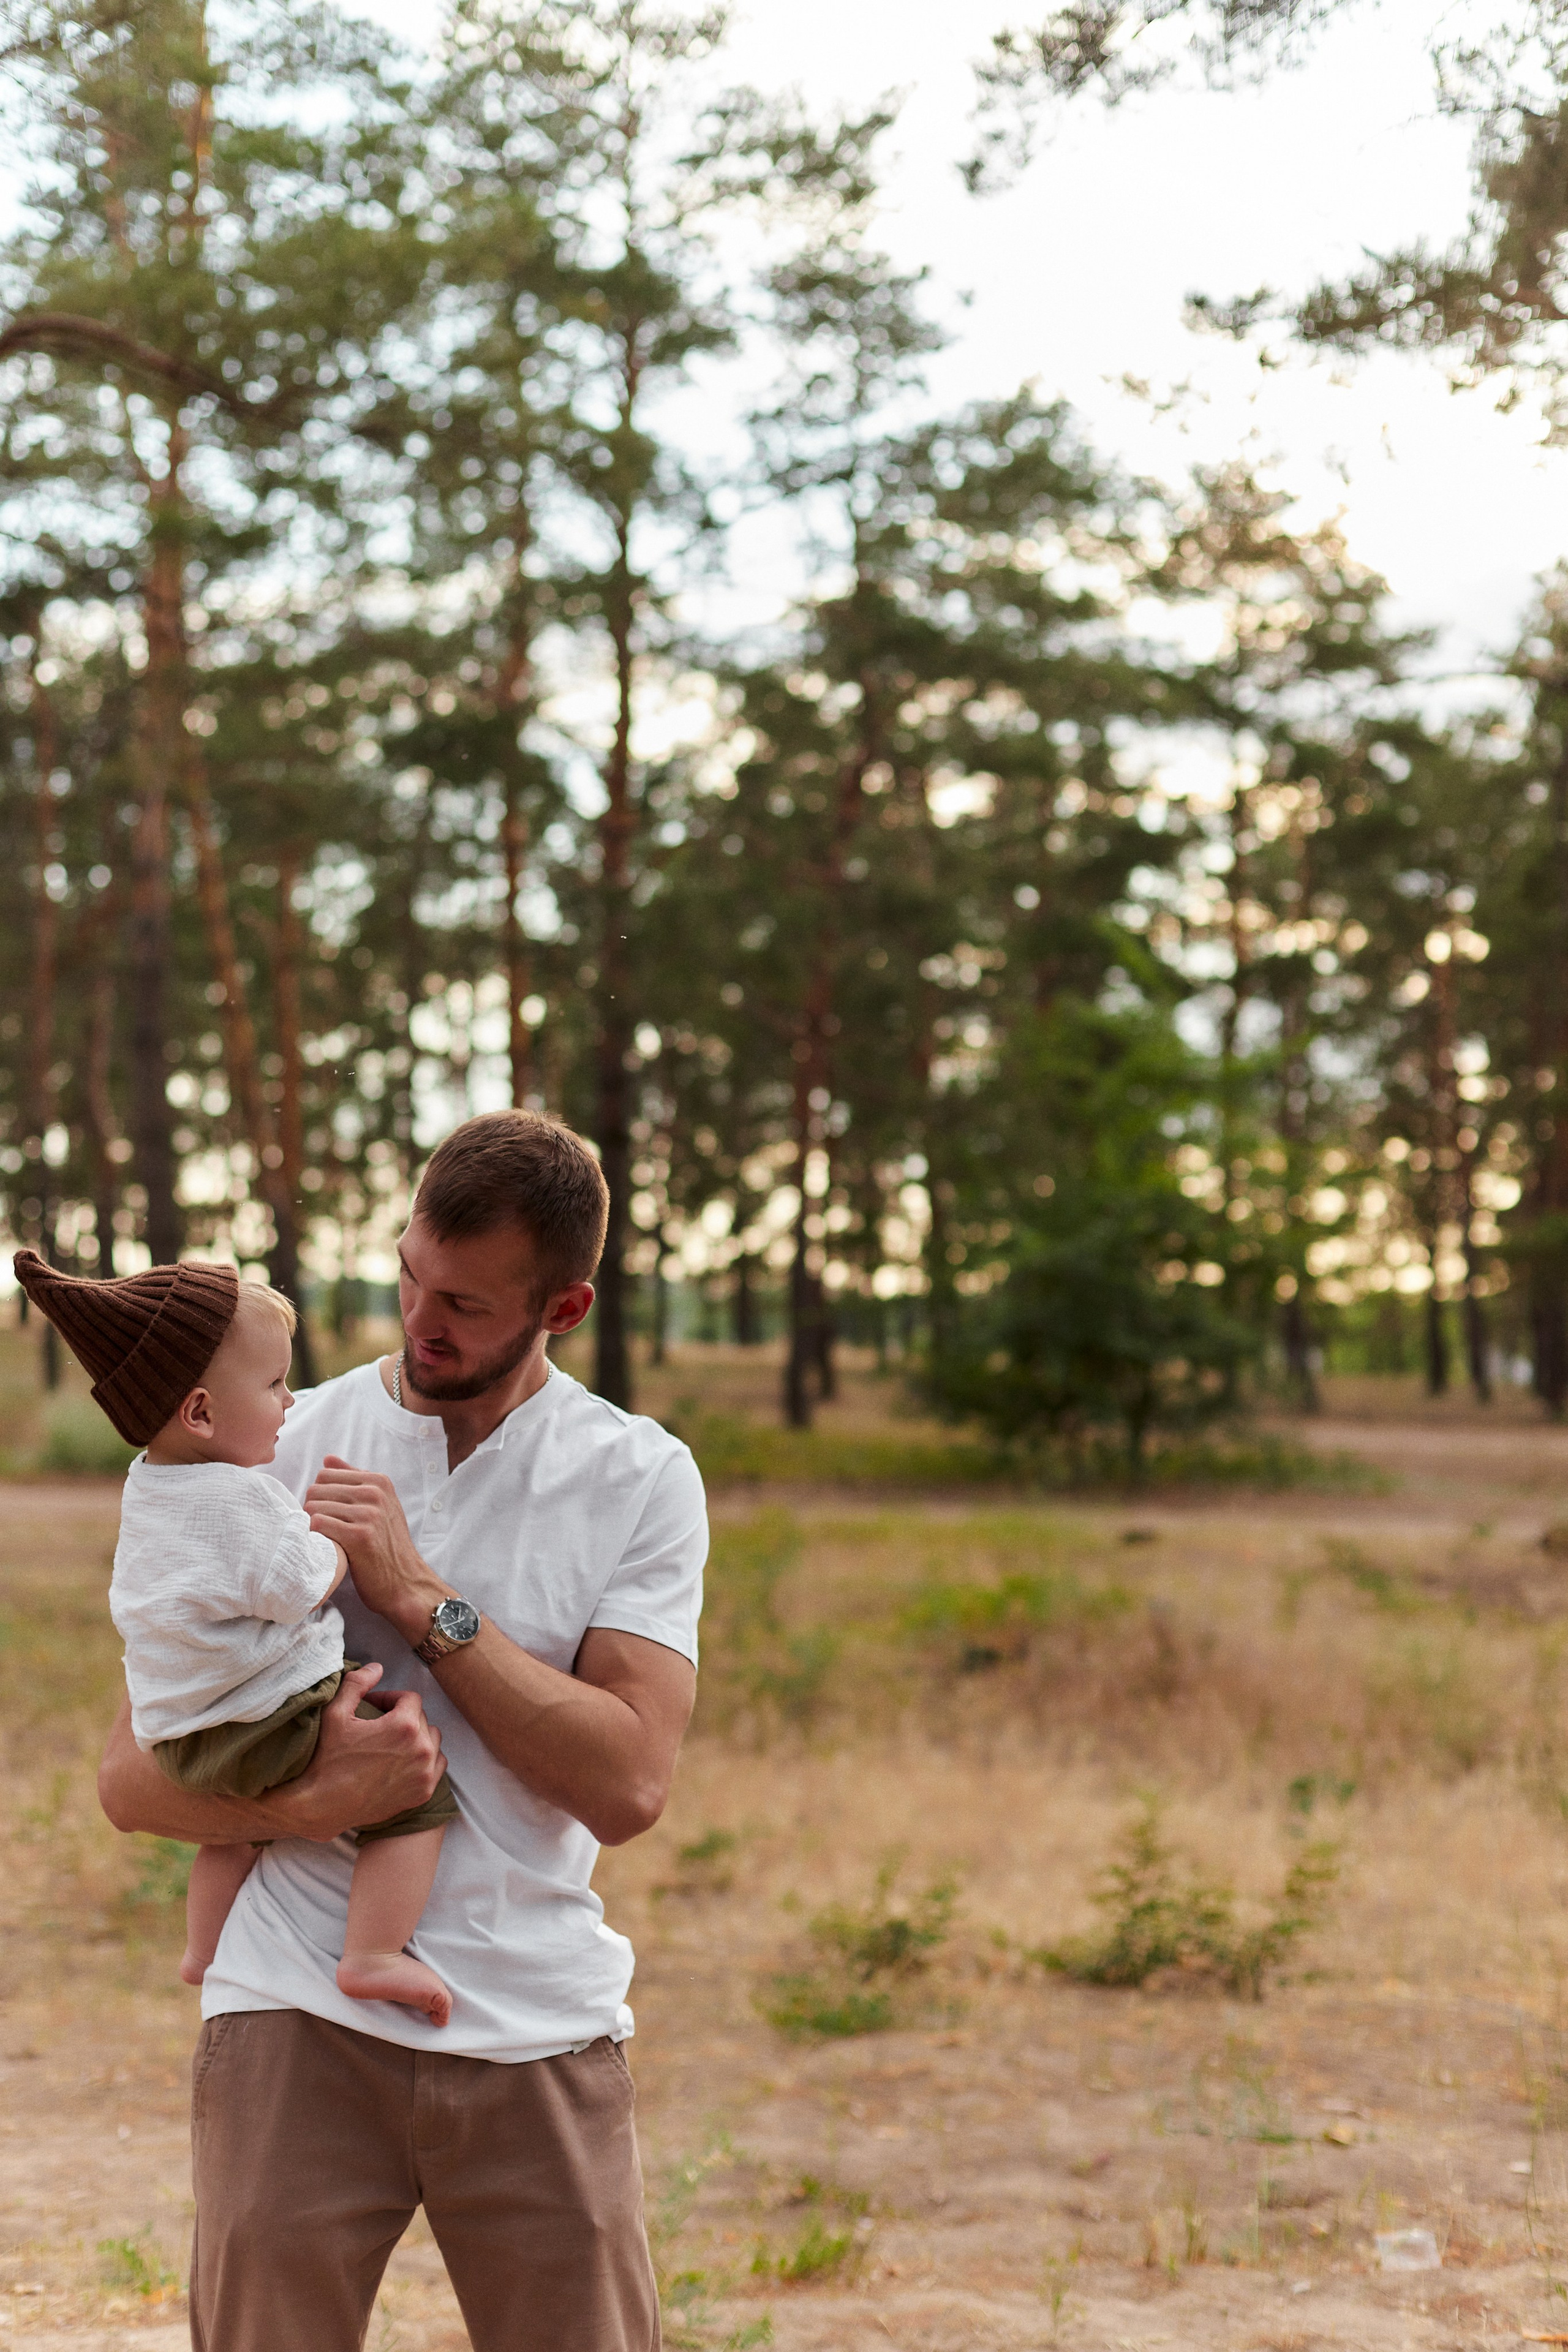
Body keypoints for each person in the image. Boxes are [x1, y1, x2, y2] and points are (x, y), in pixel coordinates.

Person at [96, 1110, 707, 2352]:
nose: (421, 1322)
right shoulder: (273, 1439)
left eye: (467, 1307)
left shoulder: (636, 1477)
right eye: (409, 1277)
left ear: (565, 1308)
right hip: (291, 2009)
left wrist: (423, 1603)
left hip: (540, 2021)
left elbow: (630, 1788)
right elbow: (130, 1781)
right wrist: (312, 1806)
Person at [11, 1254, 458, 2020]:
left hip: (184, 1735)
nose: (290, 1401)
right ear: (201, 1414)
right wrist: (338, 1541)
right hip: (268, 1718)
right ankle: (374, 1953)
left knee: (235, 1831)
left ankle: (203, 1951)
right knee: (418, 1794)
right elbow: (296, 1587)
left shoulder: (148, 1487)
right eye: (275, 1384)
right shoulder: (238, 1496)